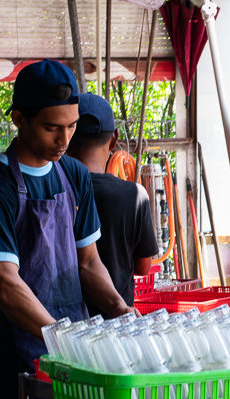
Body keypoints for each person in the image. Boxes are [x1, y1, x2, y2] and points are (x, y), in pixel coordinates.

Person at [0, 59, 133, 399]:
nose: (64, 139)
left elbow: (89, 263)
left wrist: (121, 311)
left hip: (72, 354)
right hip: (21, 358)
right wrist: (60, 336)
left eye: (72, 127)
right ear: (19, 119)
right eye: (51, 128)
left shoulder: (74, 175)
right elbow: (4, 281)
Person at [66, 93, 159, 309]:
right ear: (115, 139)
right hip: (116, 320)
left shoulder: (57, 192)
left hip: (64, 323)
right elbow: (143, 267)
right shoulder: (134, 196)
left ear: (67, 137)